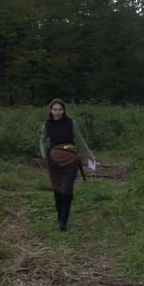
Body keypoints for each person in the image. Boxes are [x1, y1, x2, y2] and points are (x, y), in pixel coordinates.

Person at [39, 98, 95, 231]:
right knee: (58, 189)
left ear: (64, 111)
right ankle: (60, 216)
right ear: (51, 111)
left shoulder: (70, 123)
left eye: (60, 109)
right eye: (55, 109)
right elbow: (42, 141)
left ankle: (63, 221)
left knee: (67, 189)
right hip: (54, 161)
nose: (57, 112)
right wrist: (43, 155)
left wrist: (89, 154)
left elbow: (79, 139)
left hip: (71, 160)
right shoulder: (47, 125)